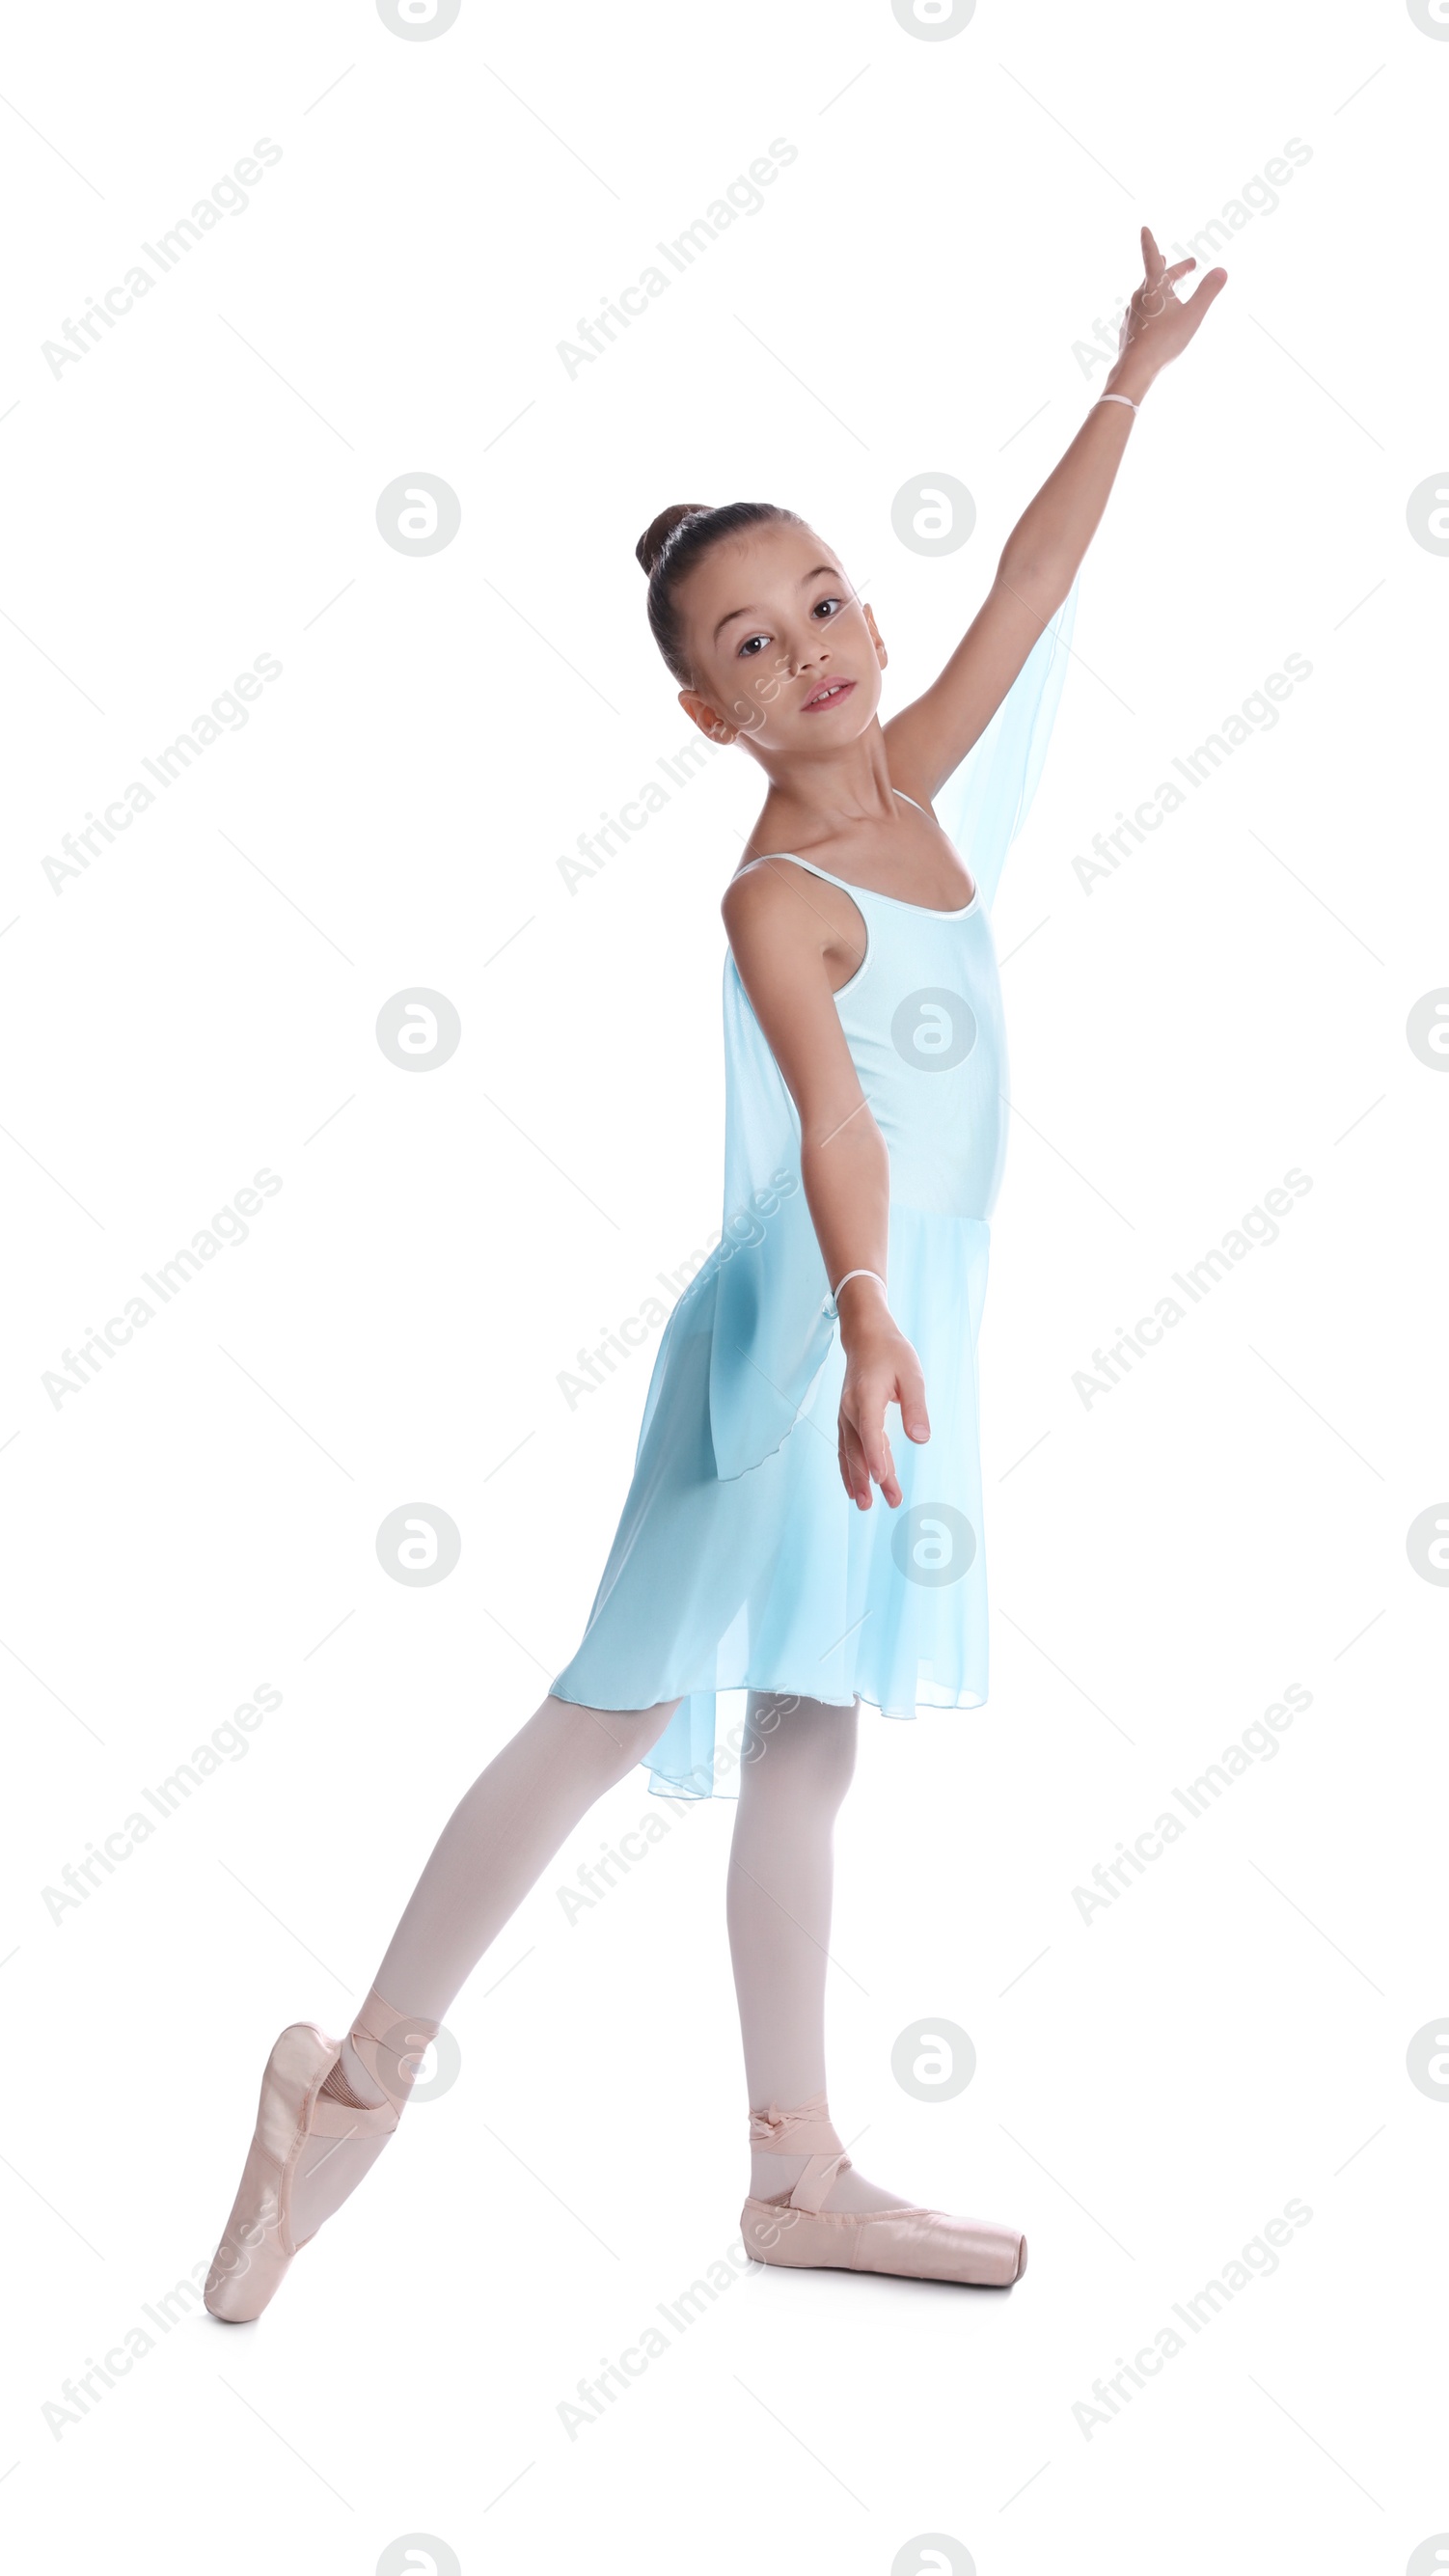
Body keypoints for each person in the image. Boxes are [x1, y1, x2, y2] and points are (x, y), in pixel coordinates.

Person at [204, 227, 1224, 2320]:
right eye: (752, 648)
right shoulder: (776, 898)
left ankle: (792, 2171)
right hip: (794, 1343)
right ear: (703, 711)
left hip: (888, 1342)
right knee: (607, 1710)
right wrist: (859, 1321)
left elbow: (1028, 588)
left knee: (812, 1729)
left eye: (825, 601)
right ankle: (348, 2081)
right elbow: (837, 1126)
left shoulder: (923, 795)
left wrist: (1126, 377)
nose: (814, 651)